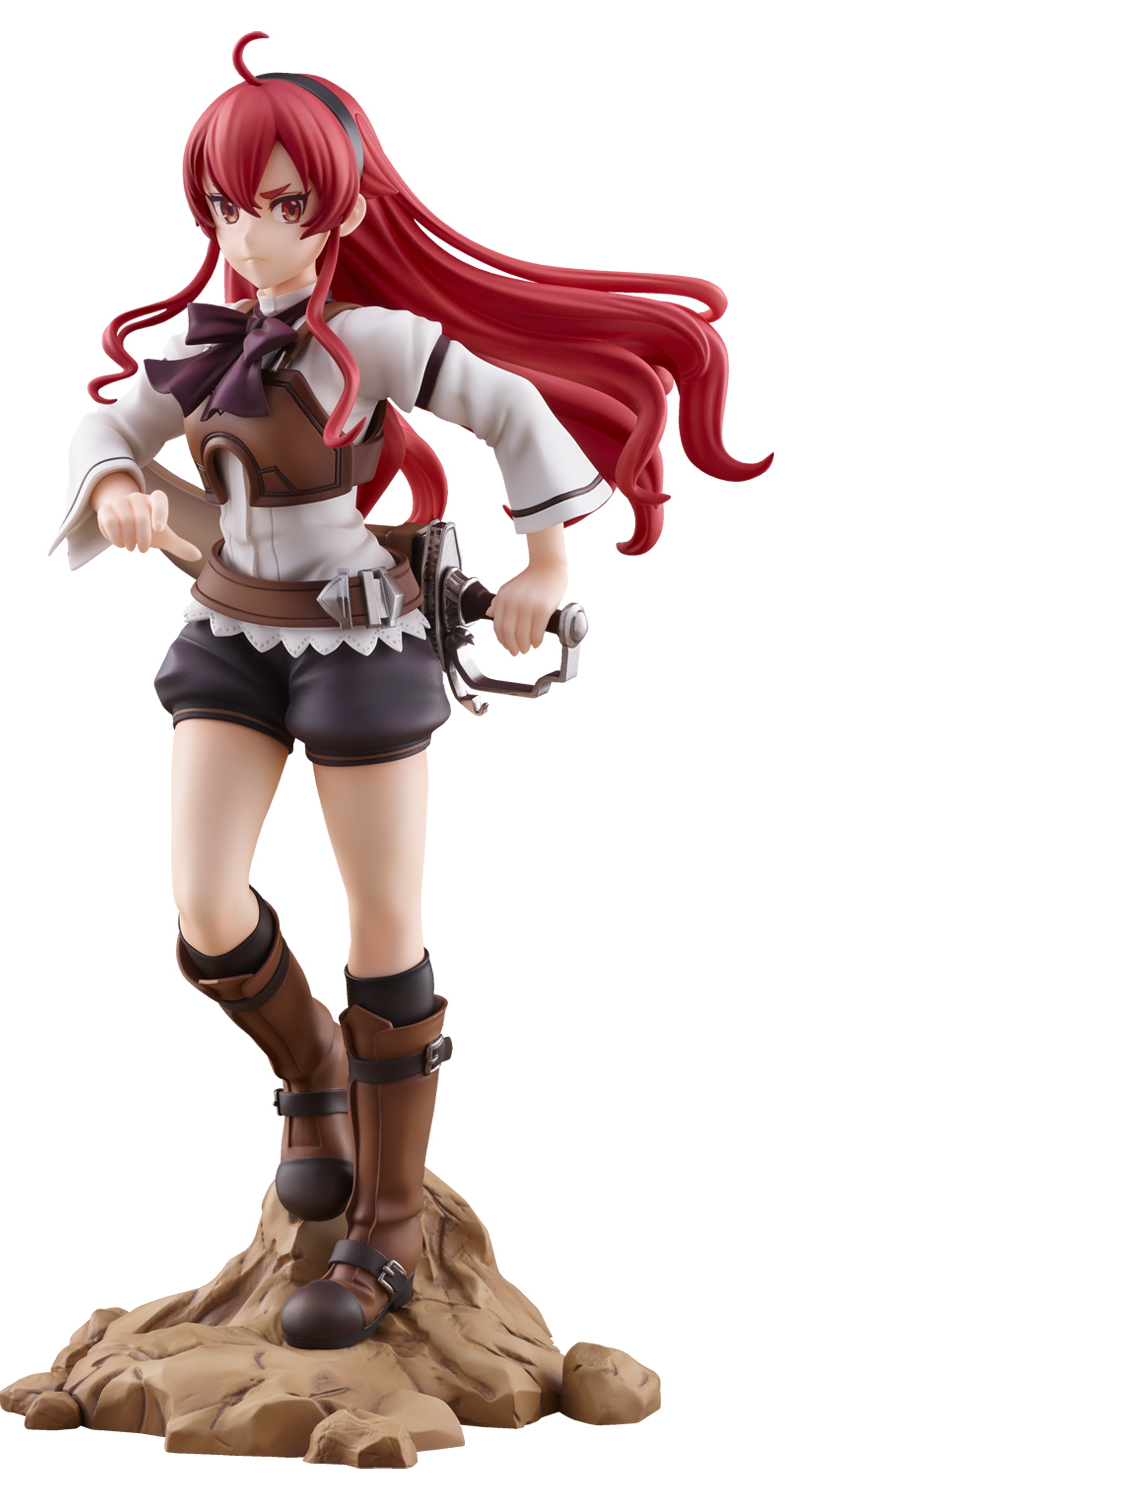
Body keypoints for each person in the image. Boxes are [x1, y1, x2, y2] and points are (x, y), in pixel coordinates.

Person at [49, 33, 770, 1351]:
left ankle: (387, 1225)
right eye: (224, 205)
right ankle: (313, 1075)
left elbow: (510, 407)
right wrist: (112, 485)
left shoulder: (372, 340)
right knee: (206, 908)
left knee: (382, 919)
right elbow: (108, 422)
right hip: (230, 630)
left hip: (355, 640)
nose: (248, 234)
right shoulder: (206, 344)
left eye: (281, 204)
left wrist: (546, 563)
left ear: (338, 212)